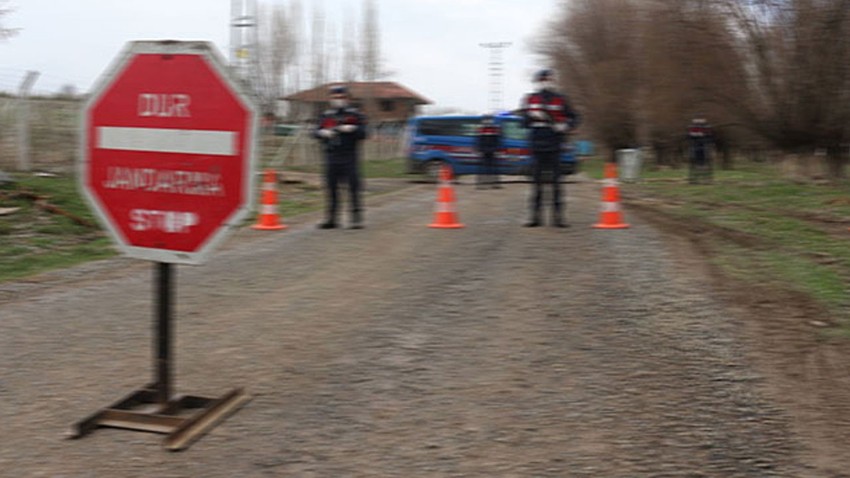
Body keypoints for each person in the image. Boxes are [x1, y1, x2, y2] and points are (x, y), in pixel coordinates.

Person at [520, 69, 580, 227]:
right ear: (538, 81)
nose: (546, 82)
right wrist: (531, 117)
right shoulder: (529, 99)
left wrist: (565, 126)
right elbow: (523, 122)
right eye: (543, 79)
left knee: (556, 183)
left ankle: (558, 218)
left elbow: (575, 117)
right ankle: (535, 217)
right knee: (536, 184)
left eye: (549, 79)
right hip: (537, 145)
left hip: (554, 144)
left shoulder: (561, 99)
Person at [313, 85, 368, 229]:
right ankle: (331, 219)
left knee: (353, 188)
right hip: (331, 155)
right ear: (330, 99)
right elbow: (314, 132)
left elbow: (364, 133)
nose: (338, 100)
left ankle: (356, 219)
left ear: (347, 99)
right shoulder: (326, 115)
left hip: (349, 156)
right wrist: (322, 133)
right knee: (331, 188)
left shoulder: (355, 115)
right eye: (335, 98)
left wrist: (353, 128)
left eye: (341, 98)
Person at [475, 114, 502, 189]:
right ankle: (481, 184)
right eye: (486, 119)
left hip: (491, 150)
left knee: (493, 169)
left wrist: (497, 149)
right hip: (484, 150)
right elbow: (478, 140)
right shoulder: (480, 128)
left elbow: (498, 140)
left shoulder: (495, 129)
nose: (488, 121)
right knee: (483, 169)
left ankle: (494, 184)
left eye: (489, 119)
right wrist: (478, 149)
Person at [687, 116, 713, 184]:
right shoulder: (693, 129)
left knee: (701, 164)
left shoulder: (706, 128)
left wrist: (701, 135)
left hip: (702, 148)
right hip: (698, 148)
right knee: (697, 164)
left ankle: (703, 179)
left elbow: (709, 137)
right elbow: (689, 137)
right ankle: (698, 179)